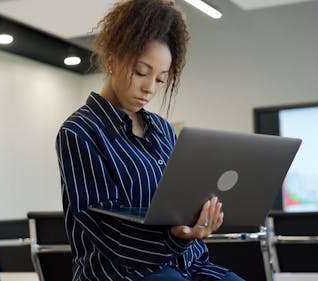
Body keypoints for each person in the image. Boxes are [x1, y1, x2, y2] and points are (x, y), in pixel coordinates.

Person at [56, 0, 244, 280]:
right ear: (111, 60)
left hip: (187, 264)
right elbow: (107, 233)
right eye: (141, 72)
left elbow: (178, 203)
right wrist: (173, 238)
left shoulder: (163, 130)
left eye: (160, 80)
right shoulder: (80, 131)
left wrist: (197, 220)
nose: (149, 88)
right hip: (120, 272)